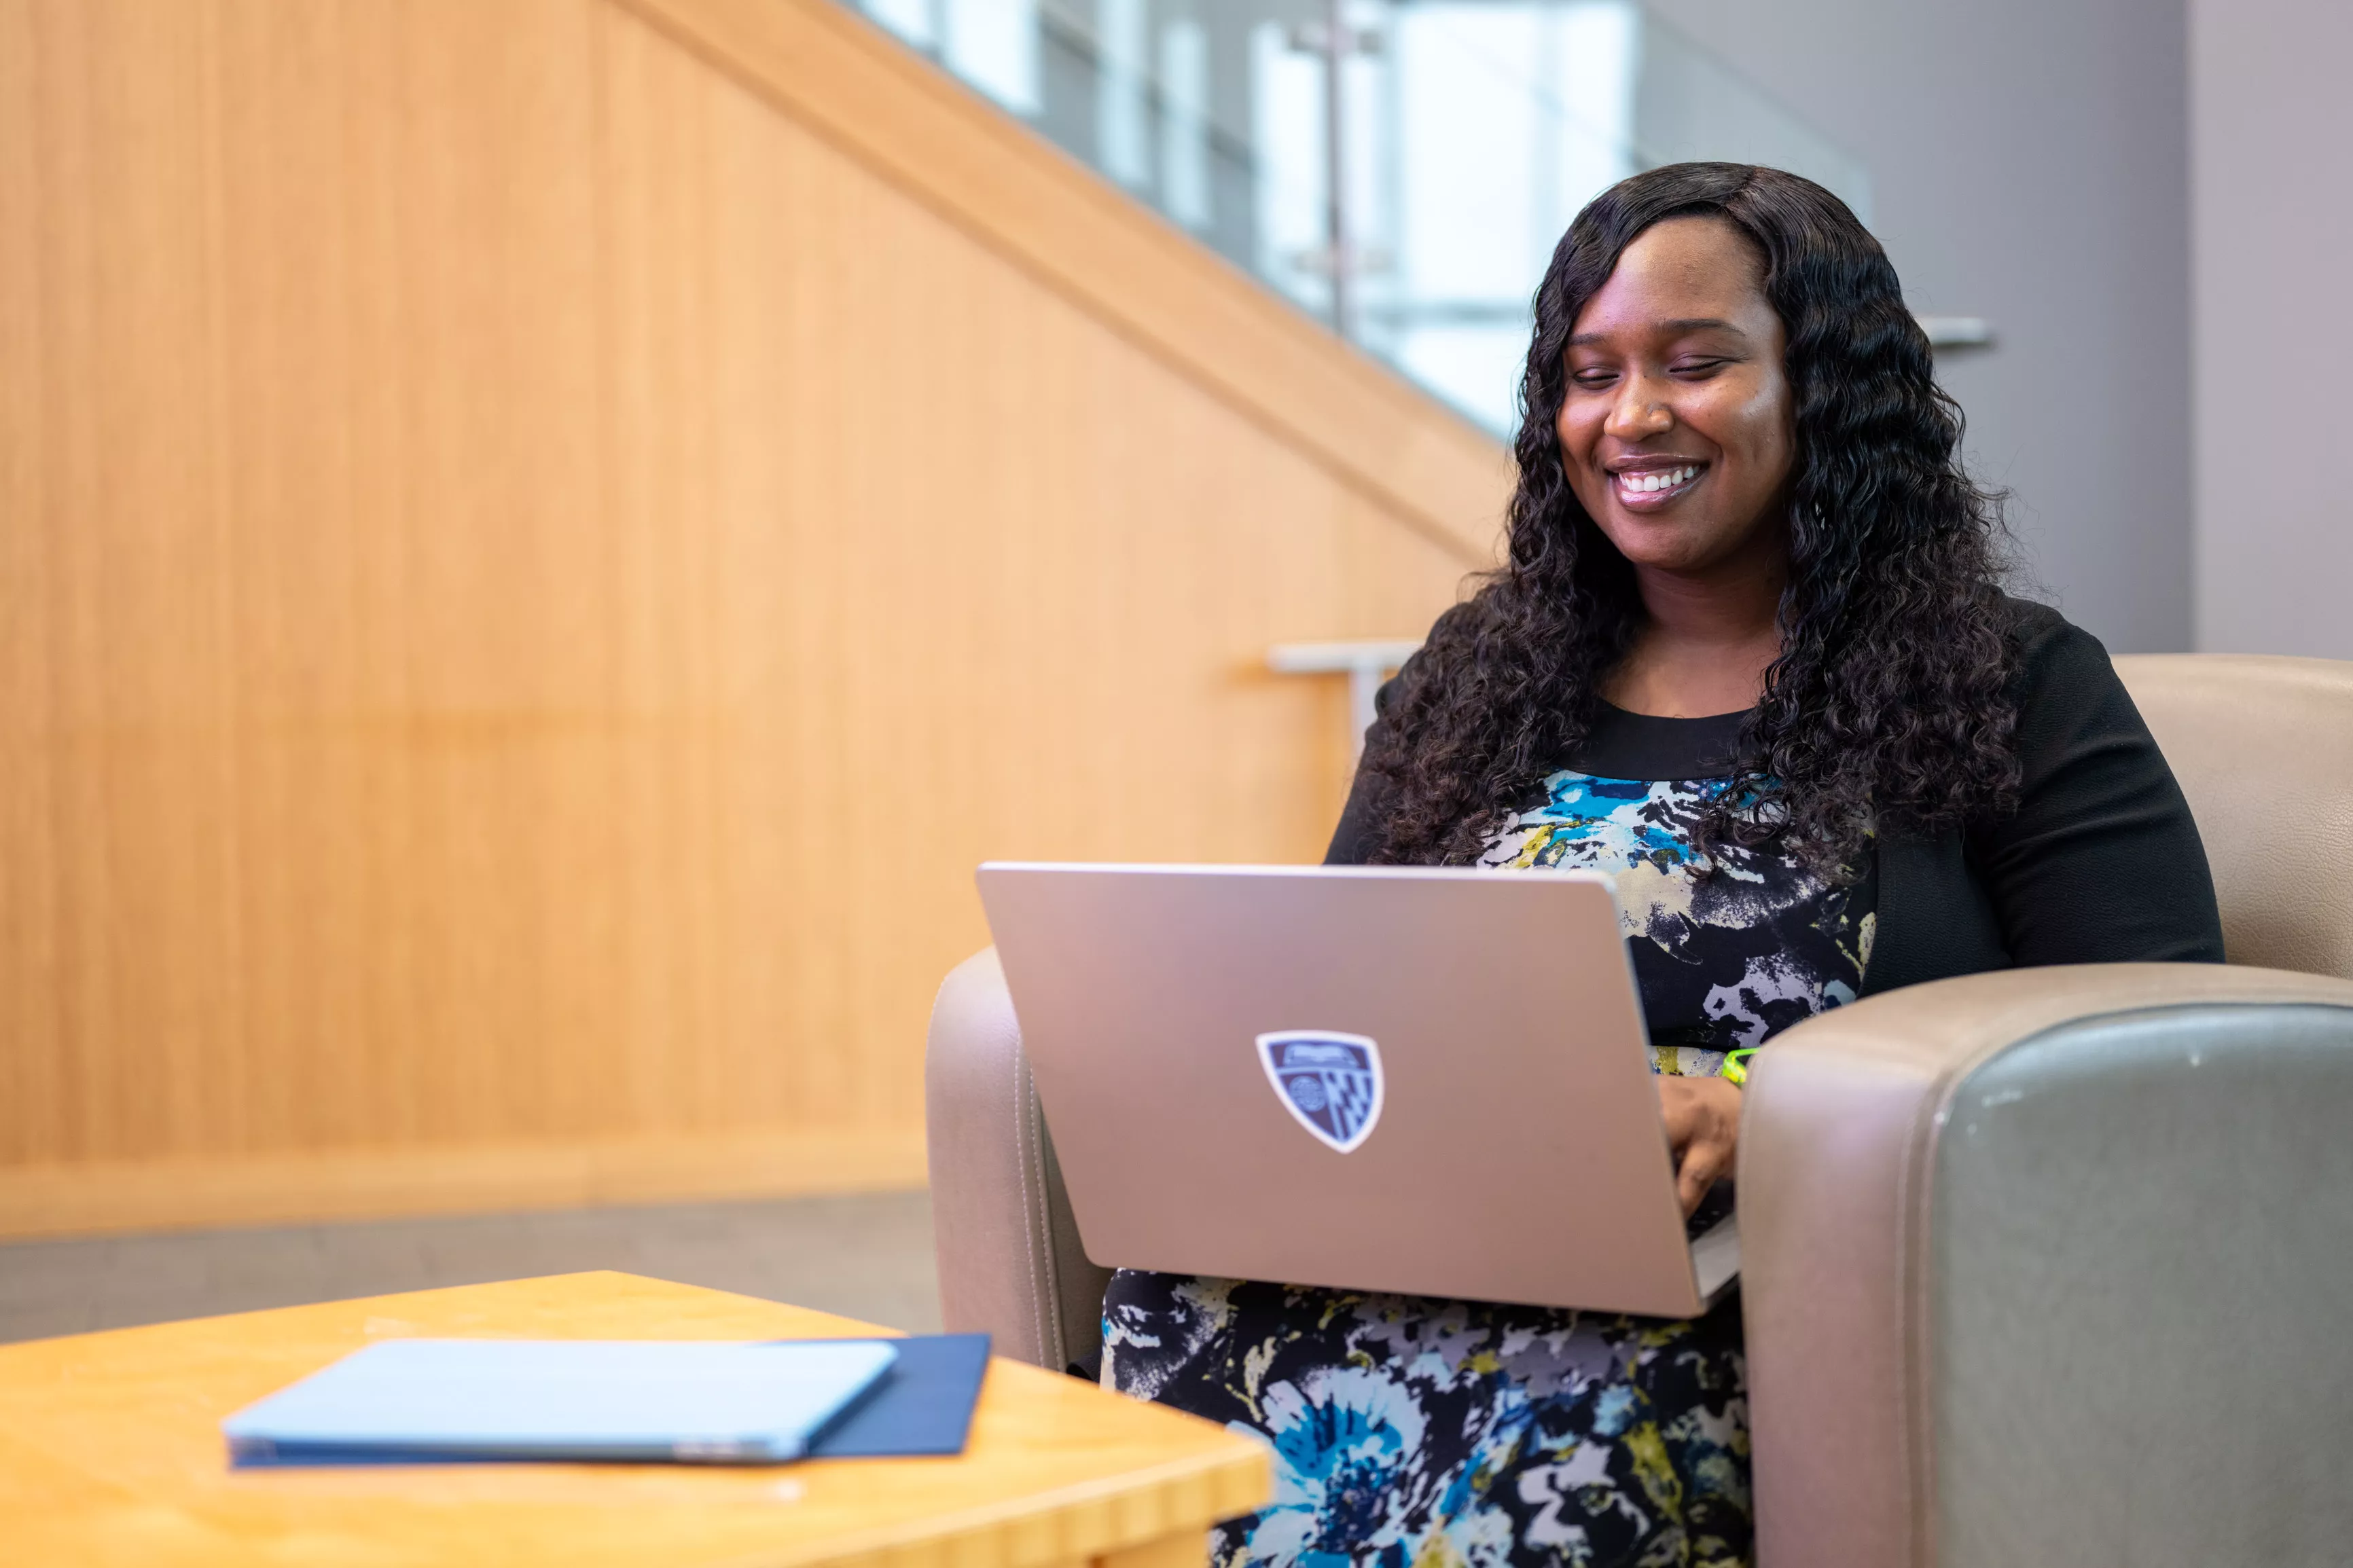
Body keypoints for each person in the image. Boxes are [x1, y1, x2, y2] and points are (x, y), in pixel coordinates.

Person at [1100, 163, 2224, 1568]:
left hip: (1751, 1280)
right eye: (1588, 374)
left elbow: (2155, 1052)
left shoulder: (2009, 678)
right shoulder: (1474, 678)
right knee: (1170, 1300)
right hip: (1454, 1229)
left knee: (1572, 1419)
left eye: (1694, 364)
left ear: (1822, 388)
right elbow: (1348, 982)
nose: (1630, 417)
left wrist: (1788, 1122)